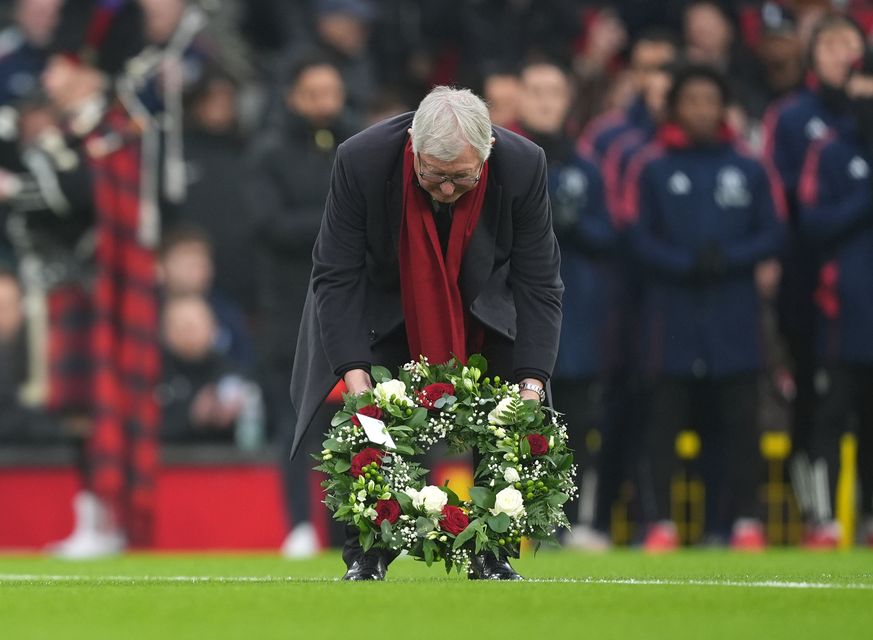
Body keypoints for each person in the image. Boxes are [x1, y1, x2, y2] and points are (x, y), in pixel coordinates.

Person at [290, 86, 563, 580]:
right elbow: (335, 274)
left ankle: (492, 551)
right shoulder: (361, 159)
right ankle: (368, 554)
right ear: (413, 144)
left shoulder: (524, 164)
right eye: (432, 175)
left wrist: (532, 383)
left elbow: (540, 282)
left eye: (460, 177)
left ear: (488, 152)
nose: (444, 189)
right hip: (385, 304)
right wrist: (356, 381)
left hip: (484, 305)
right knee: (370, 422)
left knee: (512, 416)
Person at [0, 0, 160, 558]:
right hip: (67, 289)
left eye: (57, 66)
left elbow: (87, 202)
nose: (47, 77)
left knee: (100, 405)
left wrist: (17, 190)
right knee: (74, 410)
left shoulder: (118, 129)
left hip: (104, 292)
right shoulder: (72, 134)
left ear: (85, 70)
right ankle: (93, 517)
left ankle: (111, 520)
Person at [625, 65, 785, 552]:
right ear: (674, 107)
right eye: (690, 100)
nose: (700, 109)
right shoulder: (651, 165)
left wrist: (729, 259)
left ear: (722, 107)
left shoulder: (750, 166)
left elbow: (775, 232)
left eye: (709, 100)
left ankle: (737, 524)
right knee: (663, 425)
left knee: (736, 425)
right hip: (669, 319)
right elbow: (635, 236)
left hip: (734, 318)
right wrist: (686, 263)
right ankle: (660, 524)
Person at [245, 51, 358, 559]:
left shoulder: (358, 148)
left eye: (330, 92)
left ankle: (345, 529)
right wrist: (337, 225)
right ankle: (297, 525)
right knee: (296, 424)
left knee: (354, 426)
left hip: (350, 313)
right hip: (290, 313)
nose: (323, 104)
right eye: (313, 94)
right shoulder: (267, 155)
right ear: (291, 97)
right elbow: (268, 226)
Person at [762, 13, 866, 533]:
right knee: (813, 396)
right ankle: (814, 514)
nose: (839, 53)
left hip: (858, 281)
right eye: (828, 44)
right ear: (811, 53)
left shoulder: (859, 123)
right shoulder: (792, 116)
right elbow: (781, 198)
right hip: (808, 277)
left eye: (849, 42)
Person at [512, 60, 617, 548]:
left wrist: (574, 224)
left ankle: (567, 520)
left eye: (555, 91)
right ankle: (516, 519)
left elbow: (614, 232)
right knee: (514, 418)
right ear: (520, 96)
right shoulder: (500, 159)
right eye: (537, 91)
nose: (547, 101)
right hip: (514, 310)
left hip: (574, 311)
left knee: (573, 419)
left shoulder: (586, 165)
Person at [797, 50, 873, 547]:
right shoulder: (829, 150)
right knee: (827, 419)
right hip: (840, 315)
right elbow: (811, 222)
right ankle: (822, 520)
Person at [159, 225, 255, 372]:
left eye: (201, 260)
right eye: (186, 259)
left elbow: (246, 363)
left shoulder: (227, 312)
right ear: (161, 266)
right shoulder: (143, 310)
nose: (194, 268)